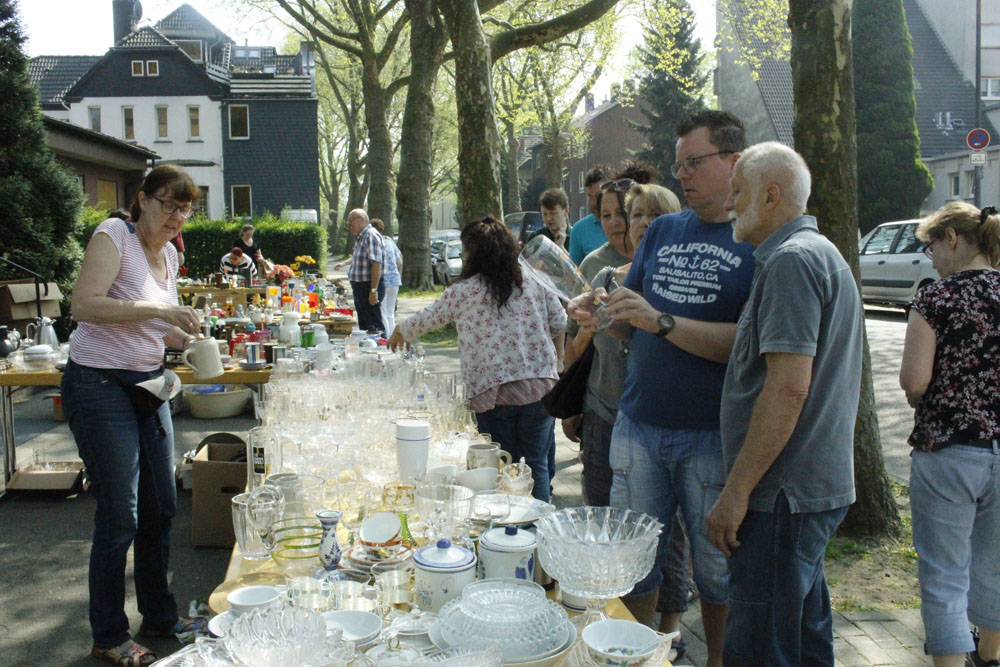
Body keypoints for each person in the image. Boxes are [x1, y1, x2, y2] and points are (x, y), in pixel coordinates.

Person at [568, 111, 754, 666]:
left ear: (734, 162)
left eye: (694, 163)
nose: (684, 175)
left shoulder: (755, 240)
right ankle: (634, 656)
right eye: (679, 165)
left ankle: (716, 659)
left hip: (709, 434)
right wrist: (599, 314)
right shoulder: (667, 231)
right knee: (633, 561)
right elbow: (631, 319)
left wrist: (660, 322)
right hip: (639, 425)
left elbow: (746, 347)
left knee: (715, 568)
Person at [706, 142, 864, 665]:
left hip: (783, 496)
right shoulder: (813, 253)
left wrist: (736, 493)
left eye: (738, 192)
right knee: (801, 633)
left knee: (760, 645)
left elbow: (789, 388)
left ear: (771, 196)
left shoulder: (792, 262)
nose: (728, 204)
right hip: (802, 491)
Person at [62, 164, 207, 666]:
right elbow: (85, 305)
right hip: (98, 383)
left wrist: (185, 338)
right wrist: (162, 314)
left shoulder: (167, 252)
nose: (177, 217)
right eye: (169, 204)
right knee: (121, 512)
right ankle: (108, 634)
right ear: (142, 199)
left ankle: (161, 616)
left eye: (186, 209)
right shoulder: (113, 236)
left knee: (162, 504)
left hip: (148, 385)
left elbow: (154, 326)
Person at [389, 217, 566, 502]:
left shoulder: (463, 292)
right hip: (539, 389)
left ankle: (507, 534)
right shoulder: (534, 280)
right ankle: (540, 534)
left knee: (500, 471)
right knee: (536, 467)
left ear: (471, 253)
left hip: (493, 395)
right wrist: (558, 360)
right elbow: (560, 321)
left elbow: (429, 318)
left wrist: (400, 331)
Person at [899, 202, 1000, 667]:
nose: (930, 258)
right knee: (994, 565)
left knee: (944, 575)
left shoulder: (936, 298)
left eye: (931, 246)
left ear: (953, 239)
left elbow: (915, 381)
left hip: (949, 450)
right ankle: (991, 655)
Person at [339, 208, 385, 334]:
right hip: (360, 287)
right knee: (365, 326)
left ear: (362, 219)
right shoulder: (361, 237)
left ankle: (382, 350)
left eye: (351, 223)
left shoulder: (371, 235)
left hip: (368, 286)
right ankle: (369, 350)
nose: (350, 226)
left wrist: (373, 290)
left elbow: (376, 263)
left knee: (374, 326)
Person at [569, 165, 609, 265]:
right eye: (590, 197)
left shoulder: (625, 224)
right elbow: (575, 274)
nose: (593, 203)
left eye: (598, 196)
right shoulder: (579, 230)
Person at [371, 218, 403, 338]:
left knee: (382, 311)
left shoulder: (375, 243)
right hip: (395, 280)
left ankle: (386, 338)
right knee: (390, 312)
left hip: (383, 280)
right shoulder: (390, 242)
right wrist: (398, 275)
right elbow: (399, 261)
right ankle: (392, 337)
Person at [527, 188, 572, 253]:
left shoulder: (576, 237)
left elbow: (579, 263)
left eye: (553, 213)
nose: (548, 219)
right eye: (544, 214)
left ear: (566, 210)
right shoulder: (536, 238)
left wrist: (561, 248)